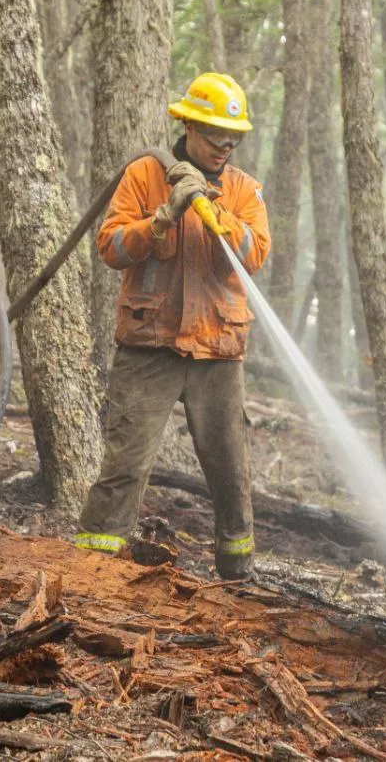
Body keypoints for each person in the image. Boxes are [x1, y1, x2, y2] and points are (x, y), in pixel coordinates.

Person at [75, 73, 271, 579]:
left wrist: (218, 214)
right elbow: (110, 248)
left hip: (216, 353)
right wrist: (162, 218)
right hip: (149, 349)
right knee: (124, 465)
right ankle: (92, 570)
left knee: (231, 473)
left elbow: (257, 255)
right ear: (186, 125)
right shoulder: (145, 174)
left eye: (234, 139)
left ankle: (237, 574)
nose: (225, 147)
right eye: (214, 136)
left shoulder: (245, 190)